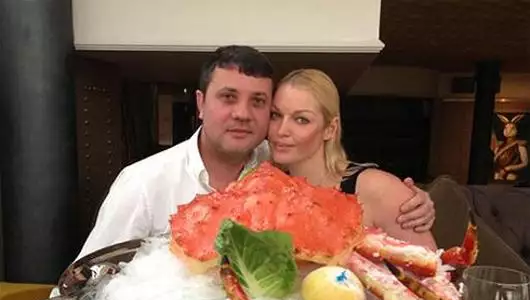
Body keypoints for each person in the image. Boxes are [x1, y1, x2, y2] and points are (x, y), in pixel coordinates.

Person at [75, 45, 435, 262]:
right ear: (200, 103)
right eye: (228, 97)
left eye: (259, 102)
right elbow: (86, 282)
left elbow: (338, 178)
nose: (243, 114)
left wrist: (409, 199)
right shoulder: (142, 183)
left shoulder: (277, 166)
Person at [268, 68, 436, 248]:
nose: (281, 131)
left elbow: (432, 264)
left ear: (330, 129)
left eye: (301, 119)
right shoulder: (267, 189)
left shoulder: (377, 189)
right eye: (275, 115)